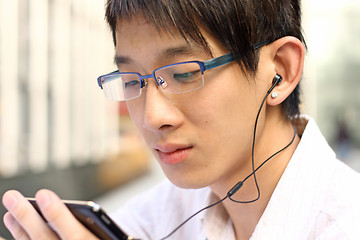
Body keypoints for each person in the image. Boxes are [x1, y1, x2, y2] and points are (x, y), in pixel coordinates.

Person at [2, 0, 360, 239]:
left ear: (279, 70)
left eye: (185, 74)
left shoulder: (345, 223)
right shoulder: (153, 218)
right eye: (131, 81)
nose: (152, 117)